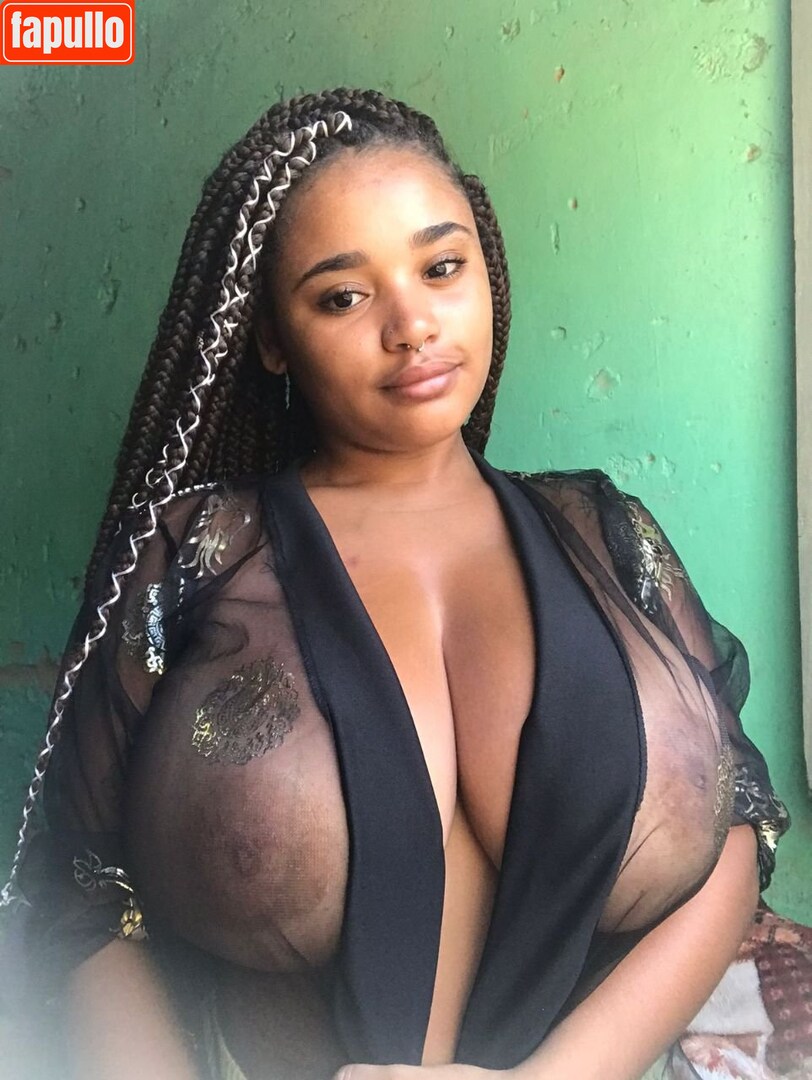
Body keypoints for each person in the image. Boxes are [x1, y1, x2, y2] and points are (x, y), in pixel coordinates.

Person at [2, 88, 790, 1080]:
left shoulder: (604, 534)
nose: (411, 324)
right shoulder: (194, 556)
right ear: (272, 338)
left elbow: (734, 829)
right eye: (343, 295)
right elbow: (84, 886)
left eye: (440, 267)